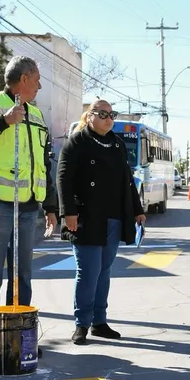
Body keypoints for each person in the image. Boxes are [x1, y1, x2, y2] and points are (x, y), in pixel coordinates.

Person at [0, 56, 59, 363]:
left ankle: (17, 337)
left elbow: (44, 162)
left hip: (29, 206)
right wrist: (3, 121)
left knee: (22, 277)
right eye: (37, 79)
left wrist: (52, 205)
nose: (40, 85)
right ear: (24, 79)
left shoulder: (37, 114)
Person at [58, 100, 146, 345]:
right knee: (88, 272)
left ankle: (99, 321)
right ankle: (81, 324)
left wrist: (137, 210)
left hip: (114, 216)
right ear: (90, 116)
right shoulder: (77, 142)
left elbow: (127, 178)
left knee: (104, 271)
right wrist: (69, 213)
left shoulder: (116, 143)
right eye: (104, 114)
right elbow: (63, 178)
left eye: (112, 114)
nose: (109, 119)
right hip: (86, 216)